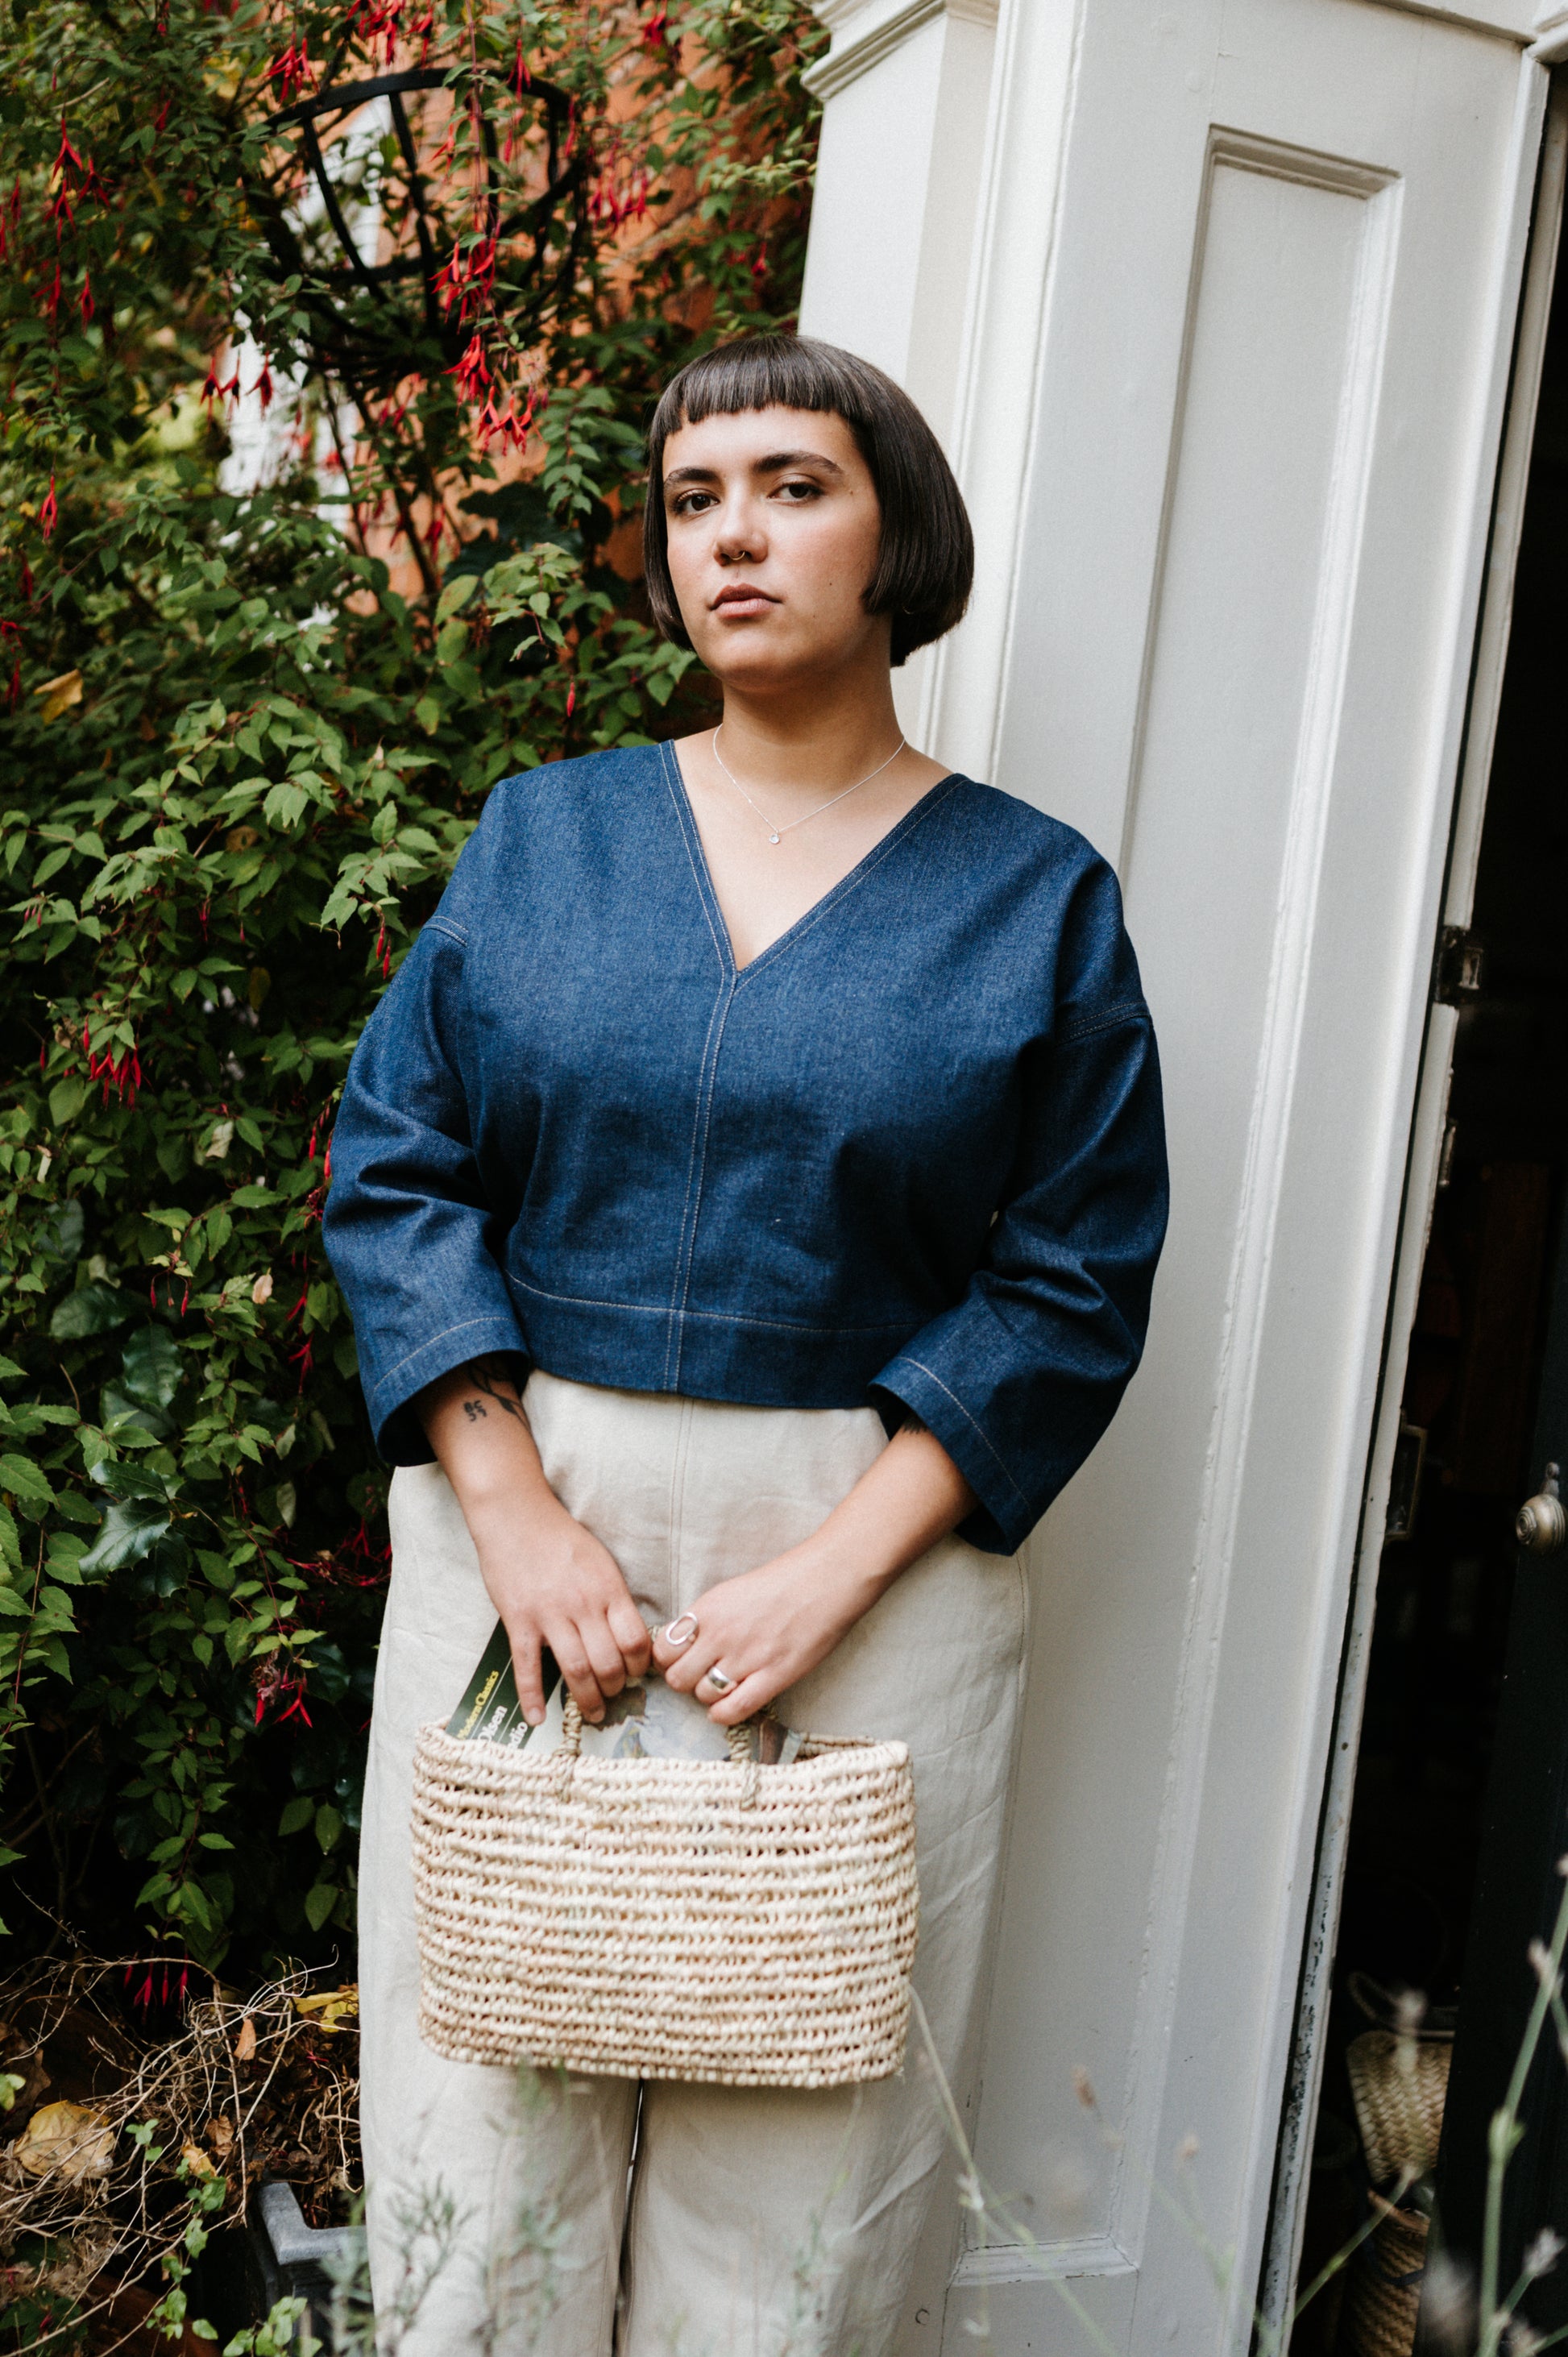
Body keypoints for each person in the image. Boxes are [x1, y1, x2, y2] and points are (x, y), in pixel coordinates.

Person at [322, 331, 1168, 2357]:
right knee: (482, 2144)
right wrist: (513, 1502)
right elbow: (396, 1158)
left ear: (898, 537)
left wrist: (825, 1571)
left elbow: (1070, 1271)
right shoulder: (542, 836)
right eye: (694, 498)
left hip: (868, 1548)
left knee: (804, 2181)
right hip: (527, 1522)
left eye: (793, 484)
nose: (733, 534)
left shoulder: (1033, 895)